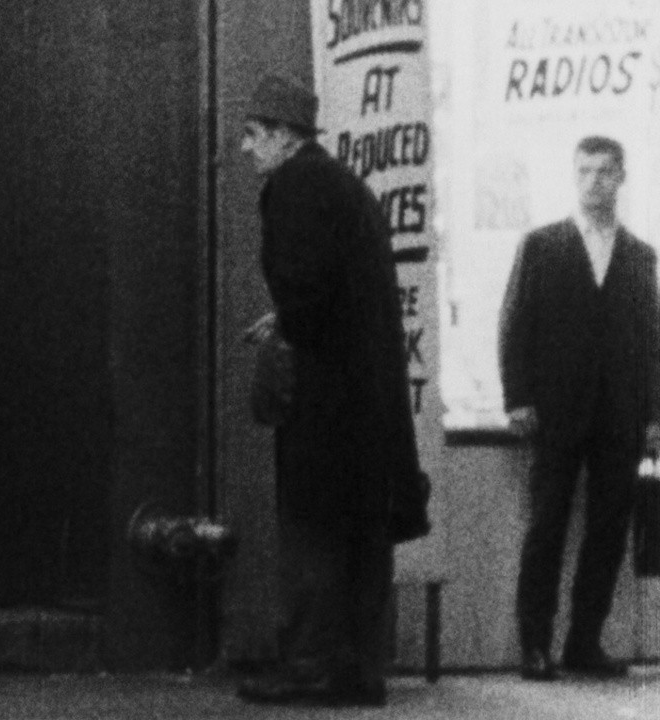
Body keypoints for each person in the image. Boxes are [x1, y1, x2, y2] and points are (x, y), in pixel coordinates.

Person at [233, 75, 423, 707]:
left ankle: (310, 664)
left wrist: (288, 320)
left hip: (325, 397)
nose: (246, 148)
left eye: (254, 134)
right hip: (368, 393)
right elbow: (343, 286)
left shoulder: (292, 187)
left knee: (312, 524)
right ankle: (359, 669)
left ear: (285, 137)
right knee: (361, 530)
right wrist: (287, 315)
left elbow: (307, 292)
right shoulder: (344, 185)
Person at [499, 136, 660, 681]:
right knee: (546, 526)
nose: (594, 181)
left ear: (621, 177)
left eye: (604, 171)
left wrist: (654, 414)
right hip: (555, 410)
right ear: (574, 176)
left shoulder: (640, 256)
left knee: (609, 530)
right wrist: (517, 397)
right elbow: (514, 323)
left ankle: (584, 641)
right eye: (585, 170)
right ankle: (534, 643)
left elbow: (650, 339)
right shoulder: (541, 245)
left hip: (620, 415)